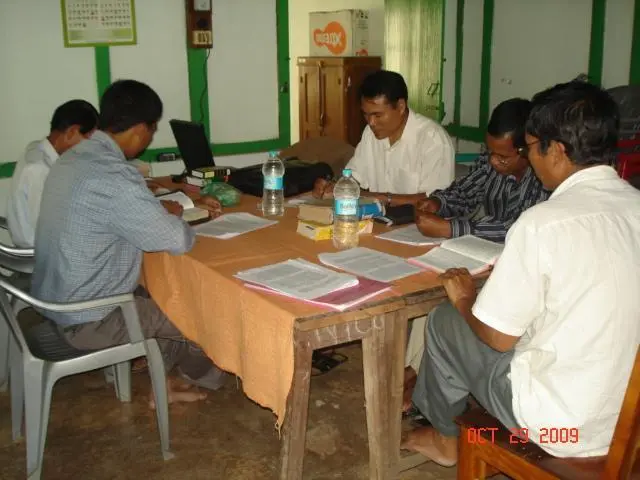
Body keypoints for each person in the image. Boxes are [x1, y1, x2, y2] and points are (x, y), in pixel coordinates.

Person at [402, 80, 640, 464]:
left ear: (556, 150)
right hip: (628, 422)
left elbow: (497, 338)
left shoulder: (542, 223)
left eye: (530, 148)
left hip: (561, 428)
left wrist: (465, 300)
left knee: (446, 320)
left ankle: (447, 440)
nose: (530, 158)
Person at [31, 79, 227, 405]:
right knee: (203, 310)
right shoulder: (115, 176)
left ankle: (162, 375)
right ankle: (186, 378)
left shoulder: (72, 159)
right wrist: (173, 217)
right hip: (87, 320)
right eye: (152, 130)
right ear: (139, 130)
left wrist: (155, 212)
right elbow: (177, 239)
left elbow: (115, 215)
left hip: (54, 301)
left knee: (164, 289)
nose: (150, 138)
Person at [403, 98, 551, 411]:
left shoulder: (544, 179)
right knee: (434, 280)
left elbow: (517, 227)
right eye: (490, 152)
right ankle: (417, 370)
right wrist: (439, 203)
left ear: (527, 149)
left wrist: (451, 228)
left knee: (453, 306)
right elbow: (465, 191)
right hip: (480, 250)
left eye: (503, 156)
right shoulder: (491, 159)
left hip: (518, 262)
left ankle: (424, 380)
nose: (494, 161)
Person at [313, 70, 455, 206]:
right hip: (378, 217)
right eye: (366, 114)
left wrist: (380, 198)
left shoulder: (433, 139)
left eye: (378, 115)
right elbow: (354, 176)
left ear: (400, 106)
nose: (371, 122)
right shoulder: (370, 134)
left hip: (418, 221)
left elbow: (436, 201)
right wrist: (334, 187)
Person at [6, 100, 99, 248]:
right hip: (40, 252)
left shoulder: (37, 148)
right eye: (89, 139)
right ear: (72, 132)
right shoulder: (39, 170)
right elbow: (47, 231)